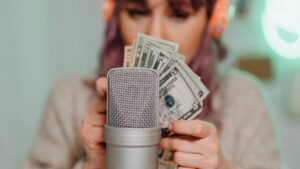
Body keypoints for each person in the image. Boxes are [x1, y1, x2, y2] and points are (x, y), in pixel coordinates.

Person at [24, 0, 280, 168]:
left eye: (179, 14)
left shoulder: (244, 99)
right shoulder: (69, 98)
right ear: (113, 14)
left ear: (213, 21)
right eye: (137, 12)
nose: (154, 35)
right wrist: (93, 164)